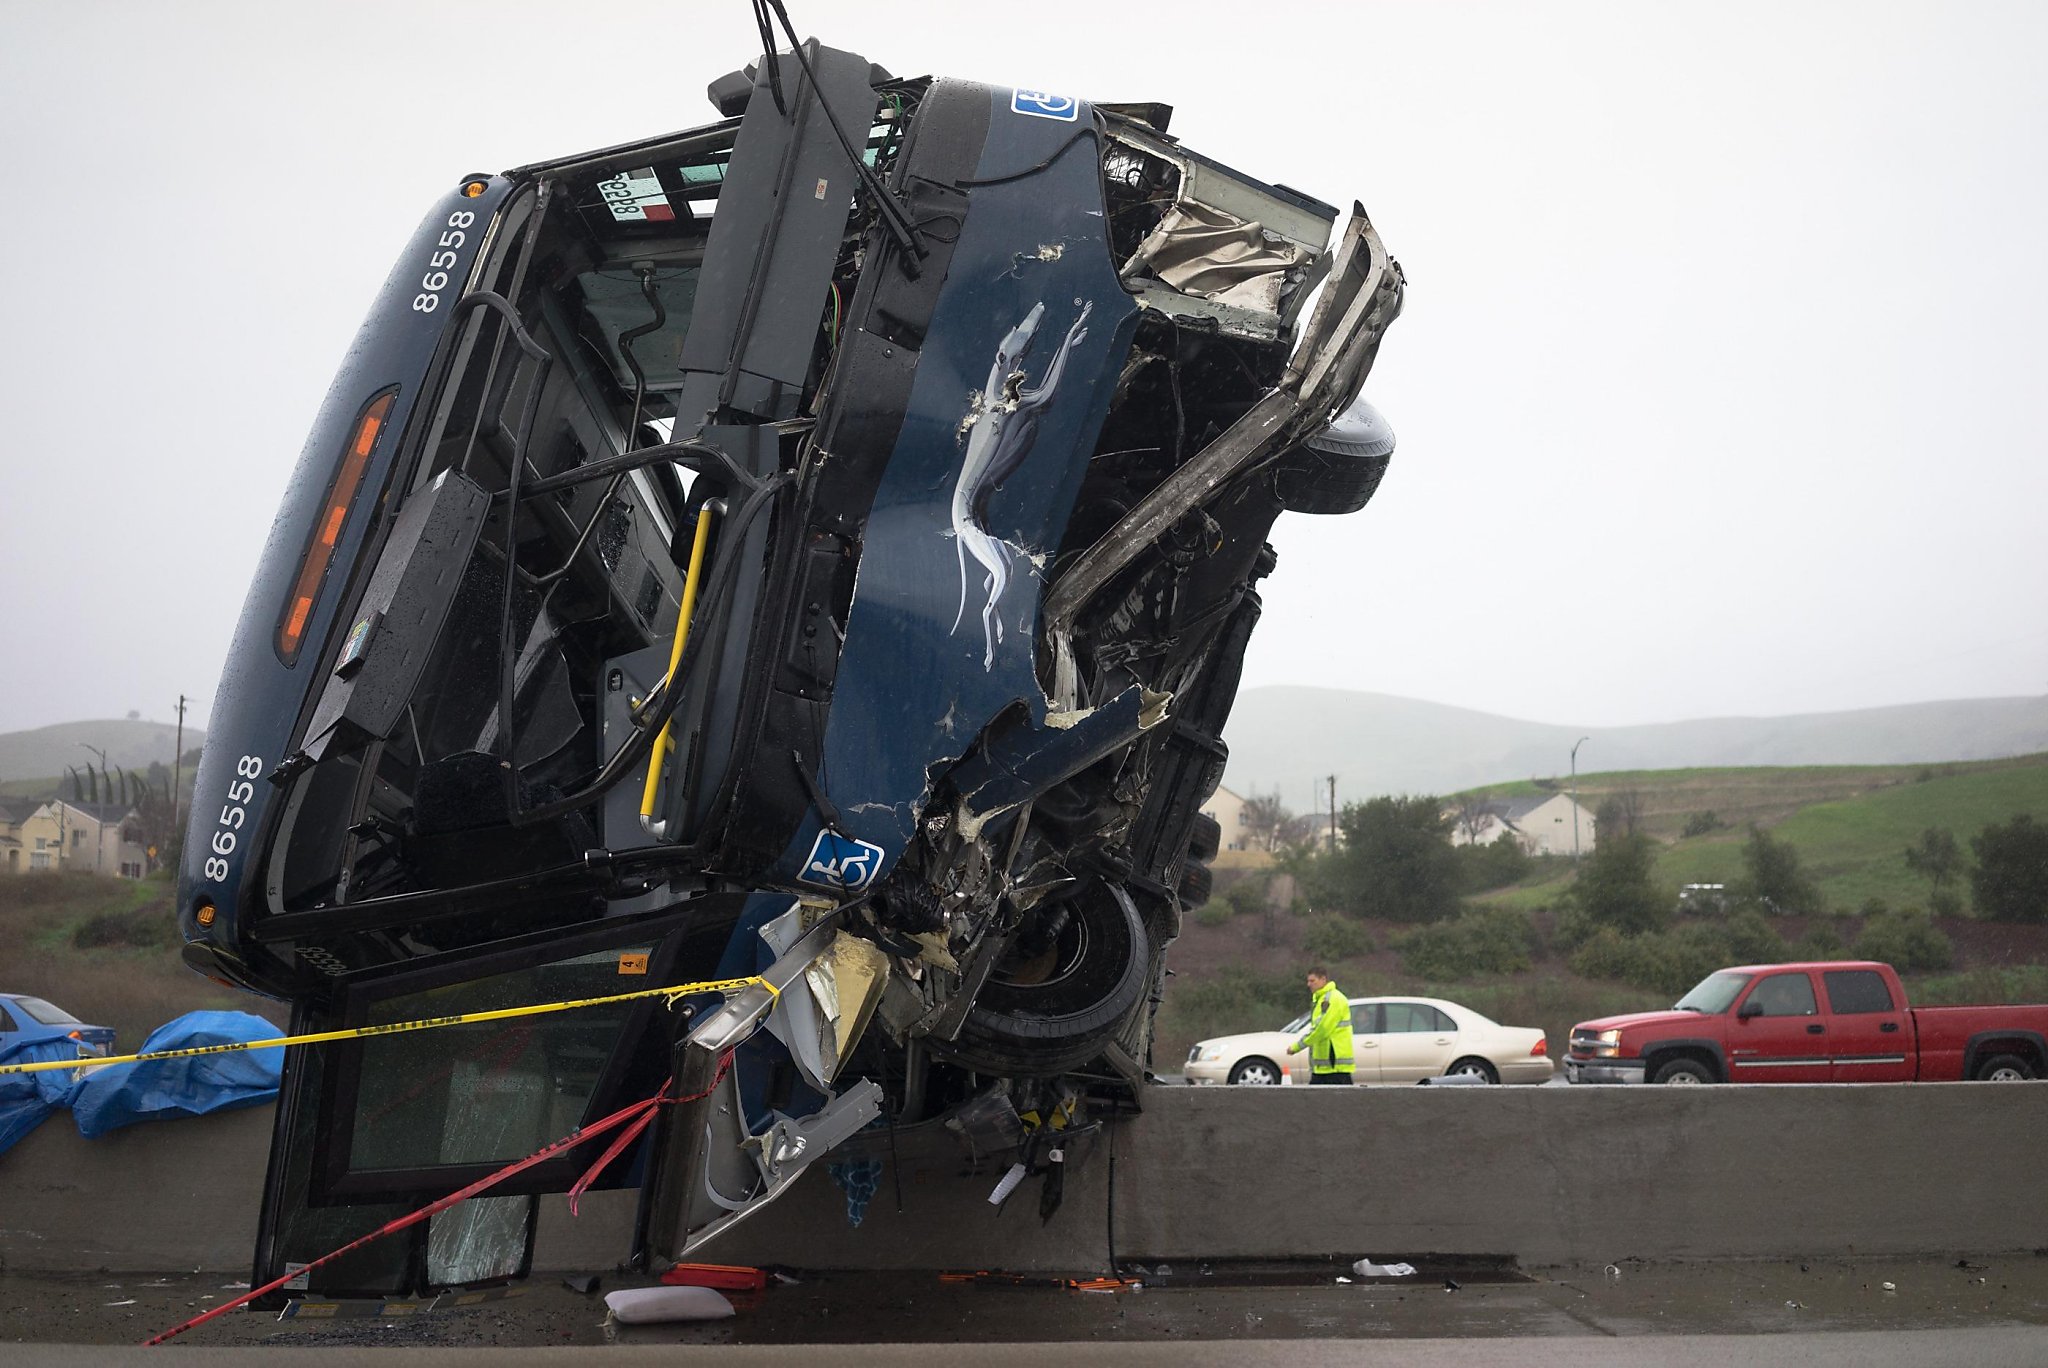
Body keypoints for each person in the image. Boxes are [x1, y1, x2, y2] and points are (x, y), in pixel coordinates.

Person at [1287, 966, 1354, 1084]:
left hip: (1333, 1065)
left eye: (1312, 981)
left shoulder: (1331, 999)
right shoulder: (1321, 998)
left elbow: (1321, 1029)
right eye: (1308, 981)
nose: (1309, 984)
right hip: (1325, 1066)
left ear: (1323, 980)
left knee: (1334, 1100)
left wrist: (1297, 1046)